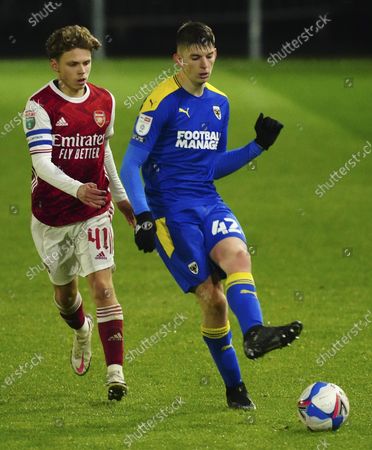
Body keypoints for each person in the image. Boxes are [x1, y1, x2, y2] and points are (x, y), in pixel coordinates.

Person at [120, 21, 302, 409]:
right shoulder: (160, 102)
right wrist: (144, 216)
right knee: (214, 300)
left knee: (238, 255)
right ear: (178, 59)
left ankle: (254, 333)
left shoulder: (220, 103)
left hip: (208, 201)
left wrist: (257, 146)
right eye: (194, 58)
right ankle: (235, 388)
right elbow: (130, 163)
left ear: (215, 55)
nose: (203, 65)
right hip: (171, 213)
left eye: (208, 56)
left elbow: (211, 166)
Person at [23, 25, 134, 401]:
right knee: (66, 298)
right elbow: (41, 164)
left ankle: (115, 373)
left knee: (103, 287)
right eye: (73, 64)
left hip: (94, 211)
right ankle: (81, 329)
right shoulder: (39, 106)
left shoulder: (105, 100)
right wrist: (76, 188)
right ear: (56, 65)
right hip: (52, 216)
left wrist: (120, 198)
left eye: (87, 62)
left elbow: (103, 151)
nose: (83, 70)